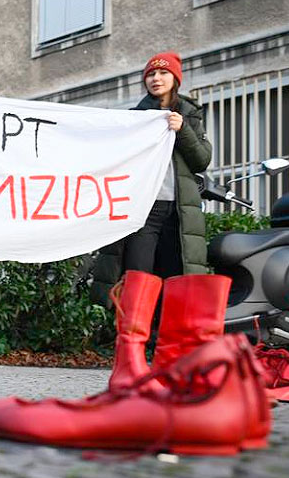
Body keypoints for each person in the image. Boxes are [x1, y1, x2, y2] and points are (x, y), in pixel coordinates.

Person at [90, 51, 212, 303]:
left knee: (175, 280)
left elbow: (201, 160)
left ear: (176, 78)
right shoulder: (135, 118)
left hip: (179, 213)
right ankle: (137, 338)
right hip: (145, 210)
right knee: (138, 279)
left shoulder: (190, 115)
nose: (156, 78)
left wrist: (183, 130)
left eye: (163, 72)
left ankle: (164, 340)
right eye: (151, 74)